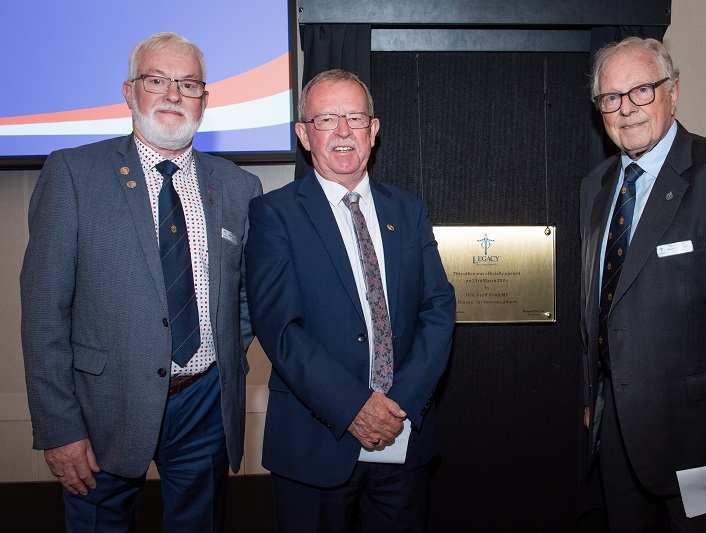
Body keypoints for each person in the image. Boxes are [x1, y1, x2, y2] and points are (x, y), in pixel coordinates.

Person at [20, 32, 262, 532]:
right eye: (158, 80)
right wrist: (59, 428)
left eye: (189, 84)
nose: (174, 94)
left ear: (204, 99)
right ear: (129, 91)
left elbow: (246, 296)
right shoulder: (74, 173)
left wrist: (221, 354)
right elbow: (44, 309)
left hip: (204, 405)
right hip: (100, 409)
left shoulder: (239, 186)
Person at [579, 36, 706, 532]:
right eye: (611, 97)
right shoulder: (597, 186)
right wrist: (593, 399)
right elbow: (598, 306)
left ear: (674, 92)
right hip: (619, 445)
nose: (626, 109)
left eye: (642, 91)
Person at [245, 68, 456, 532]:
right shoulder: (272, 215)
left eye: (354, 118)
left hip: (403, 437)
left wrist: (398, 404)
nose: (342, 131)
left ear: (373, 130)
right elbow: (279, 329)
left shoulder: (409, 209)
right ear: (304, 134)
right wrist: (354, 406)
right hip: (314, 442)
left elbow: (438, 308)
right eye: (325, 120)